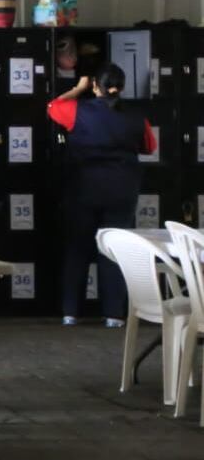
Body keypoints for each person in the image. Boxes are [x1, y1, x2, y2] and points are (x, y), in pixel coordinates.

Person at [49, 64, 155, 327]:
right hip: (122, 191)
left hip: (84, 190)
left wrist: (78, 88)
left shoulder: (77, 110)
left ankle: (71, 312)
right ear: (122, 87)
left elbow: (53, 107)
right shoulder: (137, 117)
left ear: (96, 85)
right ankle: (113, 315)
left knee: (78, 249)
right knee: (114, 250)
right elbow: (150, 146)